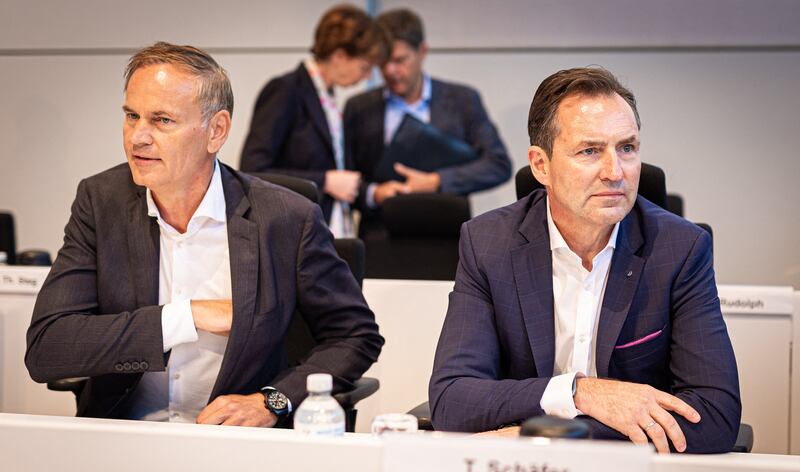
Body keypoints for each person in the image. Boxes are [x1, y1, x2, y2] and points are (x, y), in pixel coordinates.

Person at [25, 42, 383, 427]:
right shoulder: (101, 202)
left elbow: (355, 336)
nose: (137, 137)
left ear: (217, 131)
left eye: (162, 120)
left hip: (236, 447)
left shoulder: (284, 219)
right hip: (124, 436)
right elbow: (48, 347)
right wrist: (185, 317)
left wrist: (272, 402)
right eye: (132, 116)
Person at [429, 67, 741, 453]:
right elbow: (452, 398)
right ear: (541, 165)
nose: (615, 172)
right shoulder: (487, 244)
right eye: (590, 151)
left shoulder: (680, 249)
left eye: (627, 148)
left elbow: (714, 415)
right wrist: (580, 393)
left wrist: (550, 436)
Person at [343, 8, 511, 238]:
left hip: (446, 237)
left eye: (400, 60)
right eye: (382, 62)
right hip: (379, 237)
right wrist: (374, 193)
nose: (390, 71)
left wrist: (436, 181)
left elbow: (497, 165)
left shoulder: (463, 100)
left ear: (422, 51)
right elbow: (345, 177)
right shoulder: (358, 108)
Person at [240, 4, 389, 236]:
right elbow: (253, 170)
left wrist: (374, 192)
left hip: (330, 230)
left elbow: (339, 174)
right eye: (364, 67)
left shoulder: (329, 99)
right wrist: (325, 181)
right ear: (339, 56)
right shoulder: (286, 90)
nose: (368, 76)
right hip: (294, 233)